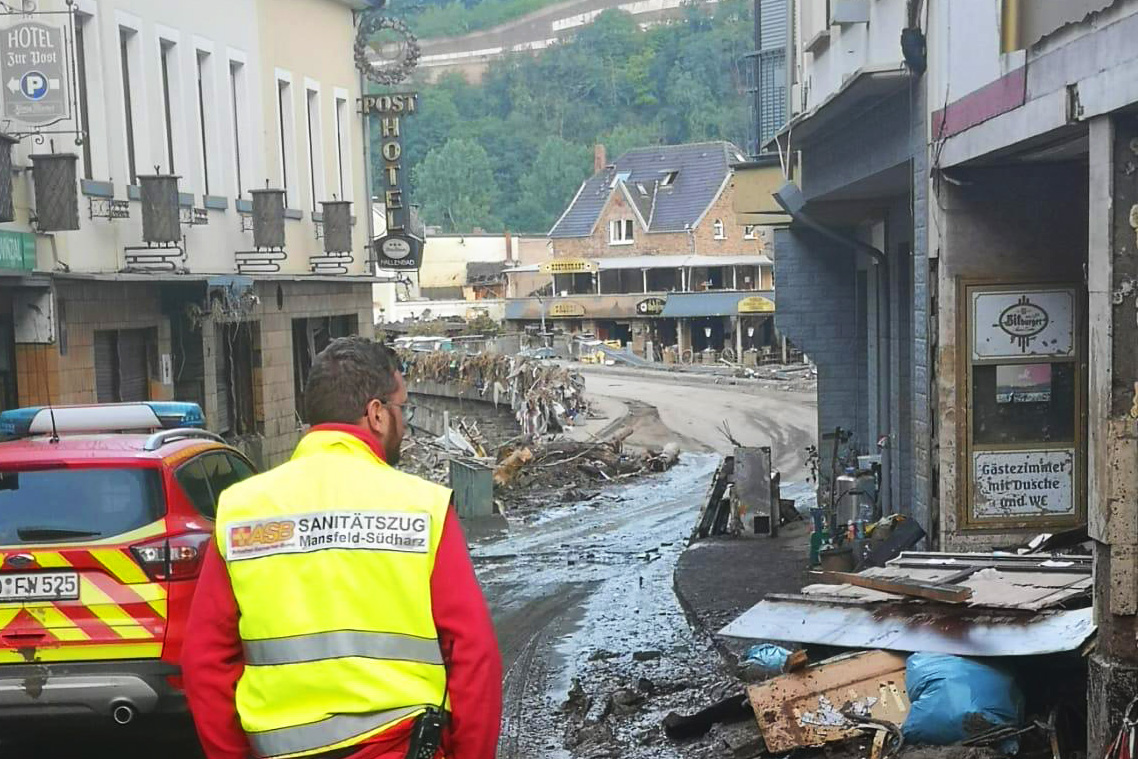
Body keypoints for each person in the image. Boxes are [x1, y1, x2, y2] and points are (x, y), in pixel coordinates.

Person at [183, 337, 502, 759]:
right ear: (376, 414)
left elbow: (203, 662)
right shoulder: (420, 508)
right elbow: (474, 655)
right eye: (401, 409)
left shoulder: (243, 510)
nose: (403, 424)